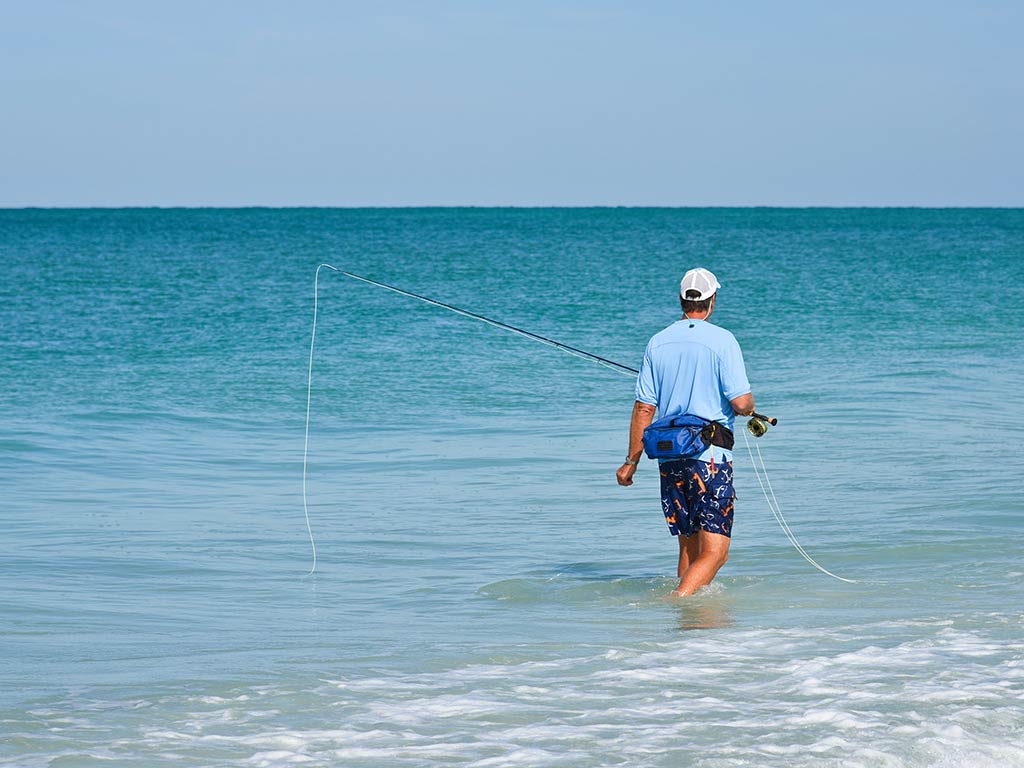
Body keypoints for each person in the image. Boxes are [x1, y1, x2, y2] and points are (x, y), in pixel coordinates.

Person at [615, 267, 755, 597]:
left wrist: (630, 462)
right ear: (712, 300)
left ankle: (688, 636)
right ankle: (676, 603)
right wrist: (750, 408)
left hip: (669, 456)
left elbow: (644, 409)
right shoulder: (724, 340)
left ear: (682, 300)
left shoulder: (657, 342)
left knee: (689, 551)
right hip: (709, 457)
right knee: (715, 553)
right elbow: (740, 402)